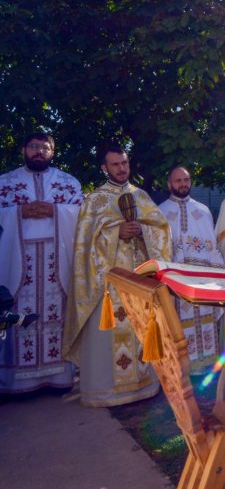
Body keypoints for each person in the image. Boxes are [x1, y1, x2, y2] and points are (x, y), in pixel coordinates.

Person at [65, 145, 171, 407]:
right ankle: (107, 393)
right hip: (108, 285)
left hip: (139, 281)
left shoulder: (142, 196)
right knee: (109, 338)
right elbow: (84, 246)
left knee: (141, 330)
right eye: (115, 164)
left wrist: (142, 231)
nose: (122, 168)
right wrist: (116, 232)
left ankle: (145, 386)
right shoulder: (94, 201)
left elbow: (162, 231)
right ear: (104, 168)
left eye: (124, 163)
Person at [0, 133, 82, 393]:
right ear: (24, 149)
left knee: (57, 313)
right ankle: (16, 381)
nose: (39, 152)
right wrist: (18, 212)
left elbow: (82, 215)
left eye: (45, 148)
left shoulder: (68, 182)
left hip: (55, 259)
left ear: (53, 152)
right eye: (34, 147)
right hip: (18, 260)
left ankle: (59, 377)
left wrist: (55, 211)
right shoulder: (6, 182)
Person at [158, 166, 225, 372]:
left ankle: (206, 366)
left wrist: (217, 276)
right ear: (169, 184)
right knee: (179, 323)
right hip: (176, 283)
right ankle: (182, 368)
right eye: (178, 180)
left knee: (206, 319)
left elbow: (212, 244)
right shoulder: (160, 212)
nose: (183, 184)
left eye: (186, 180)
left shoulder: (203, 211)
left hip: (203, 280)